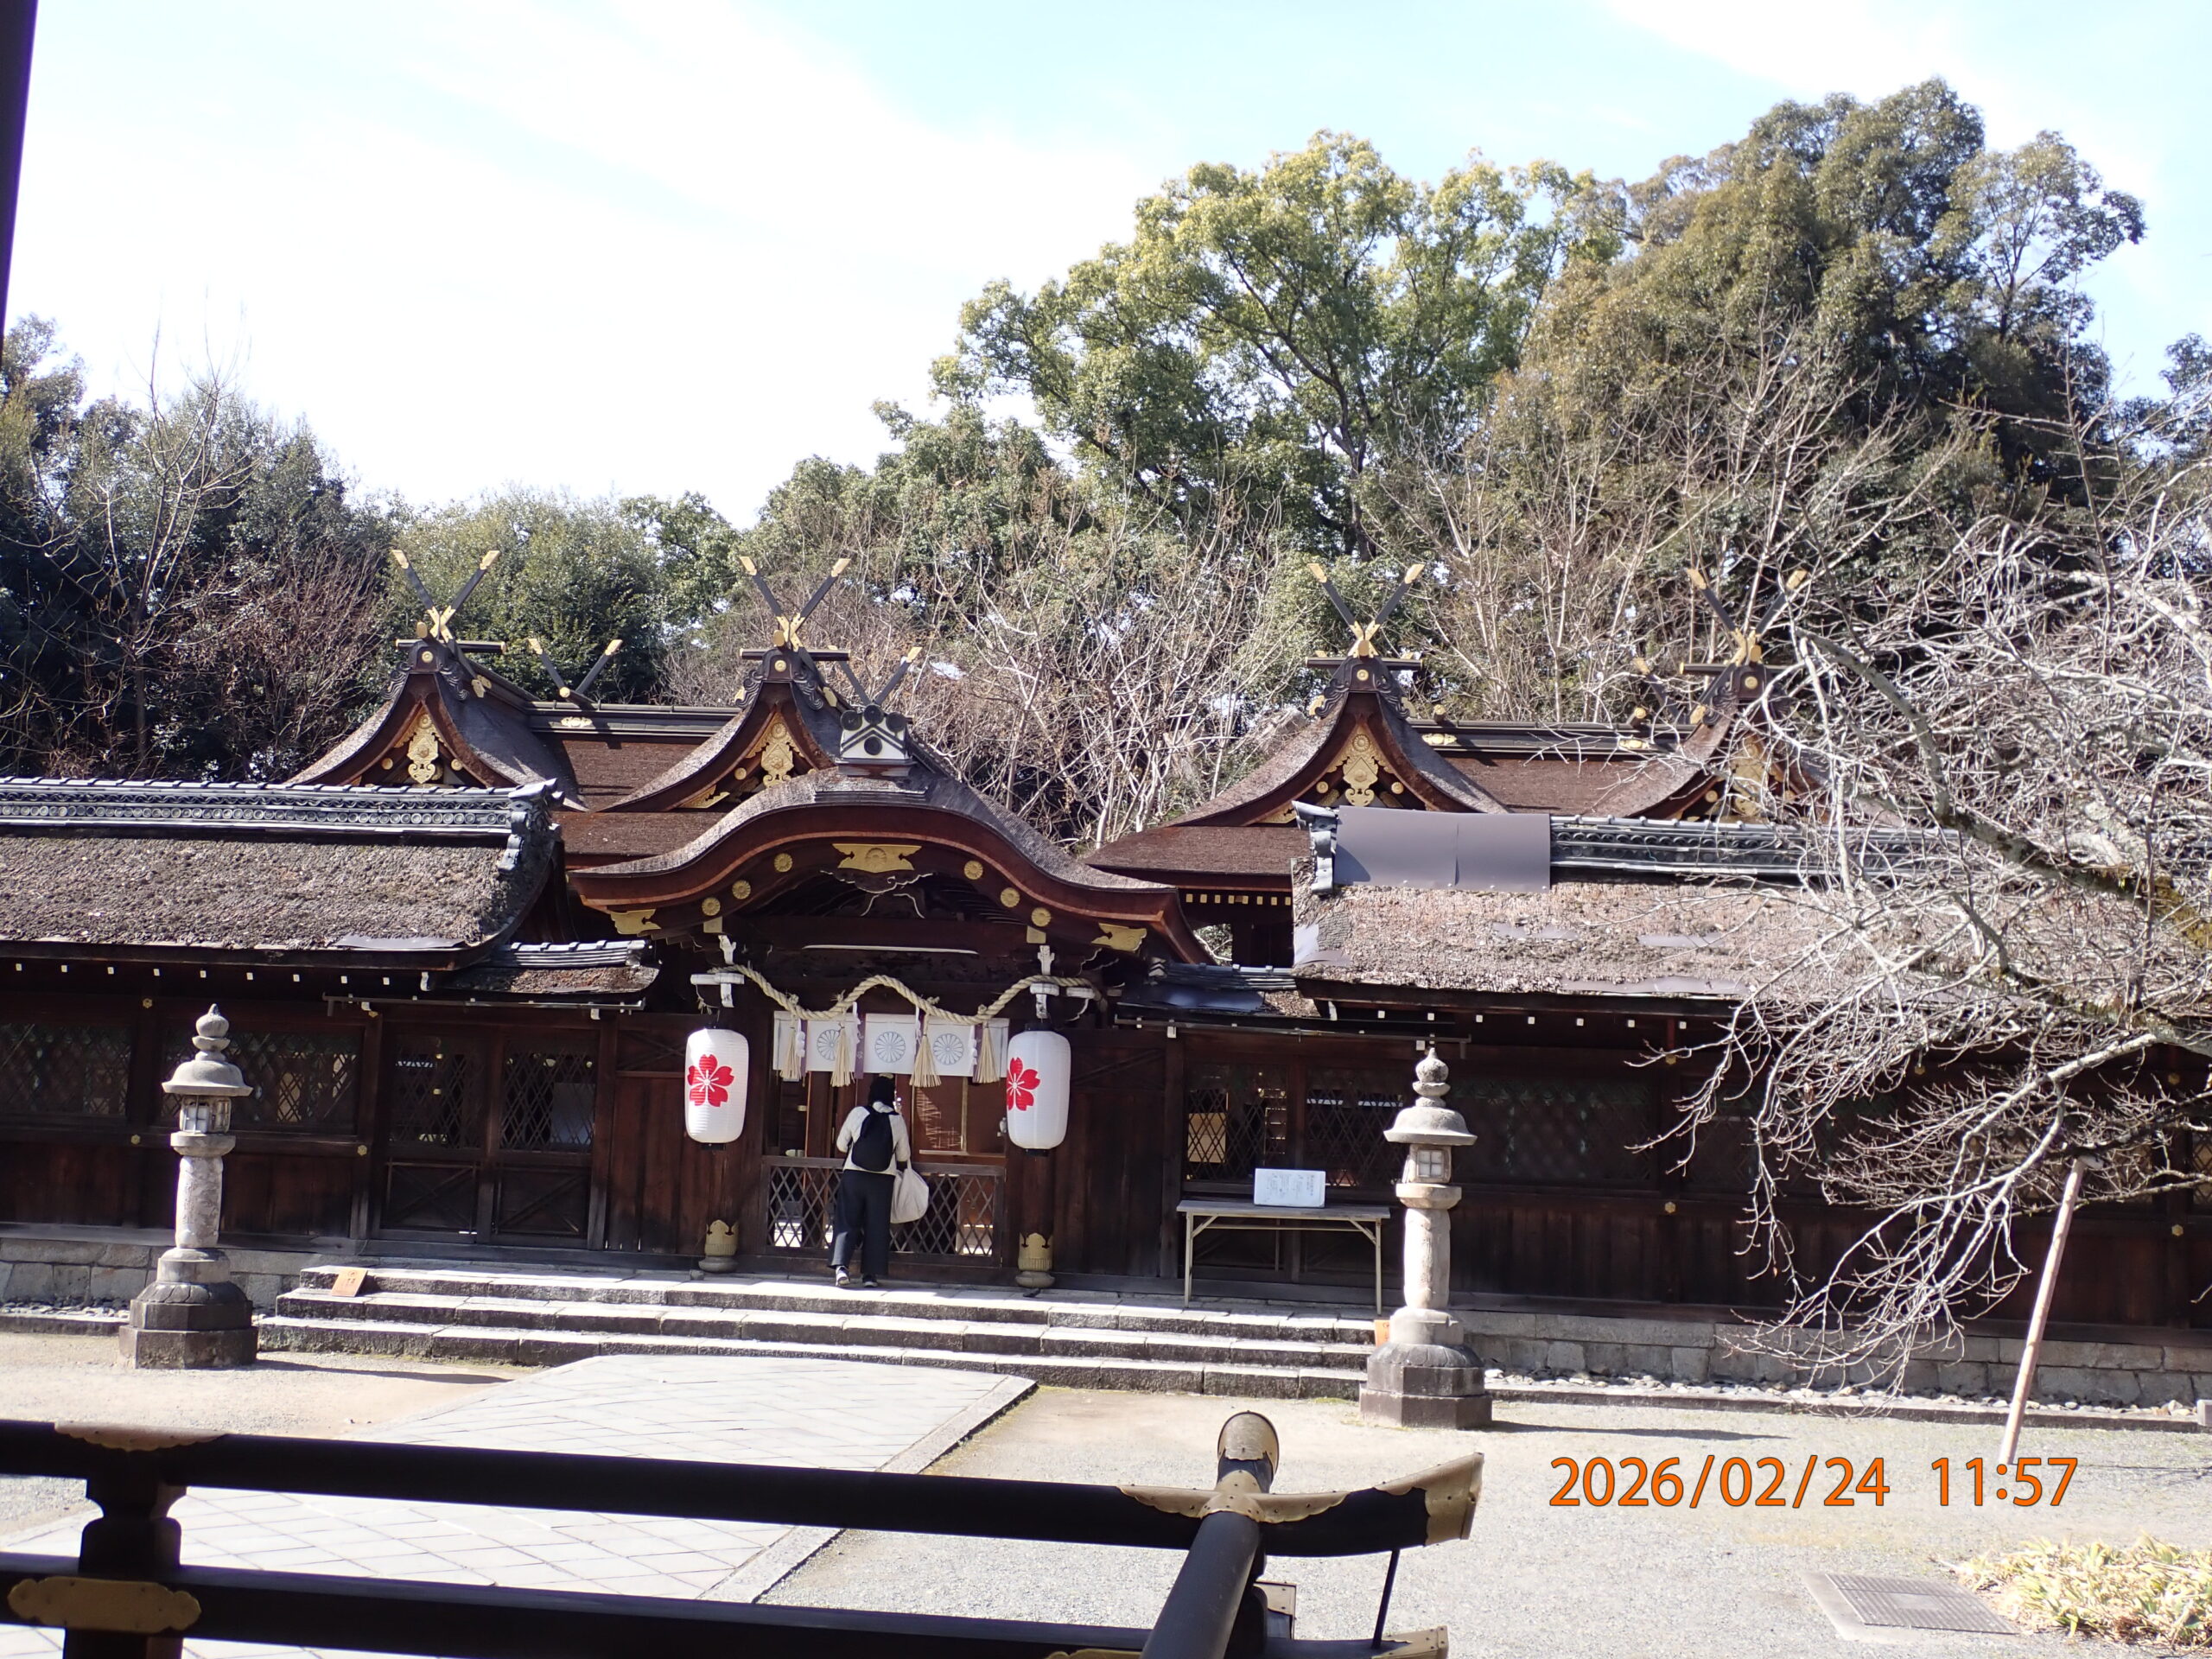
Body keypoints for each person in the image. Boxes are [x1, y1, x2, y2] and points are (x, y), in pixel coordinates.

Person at [830, 1075, 909, 1288]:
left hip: (854, 1175)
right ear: (890, 1096)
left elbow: (840, 1144)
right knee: (877, 1223)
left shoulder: (858, 1113)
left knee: (847, 1219)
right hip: (883, 1179)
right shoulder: (897, 1120)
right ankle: (870, 1276)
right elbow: (903, 1155)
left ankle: (841, 1268)